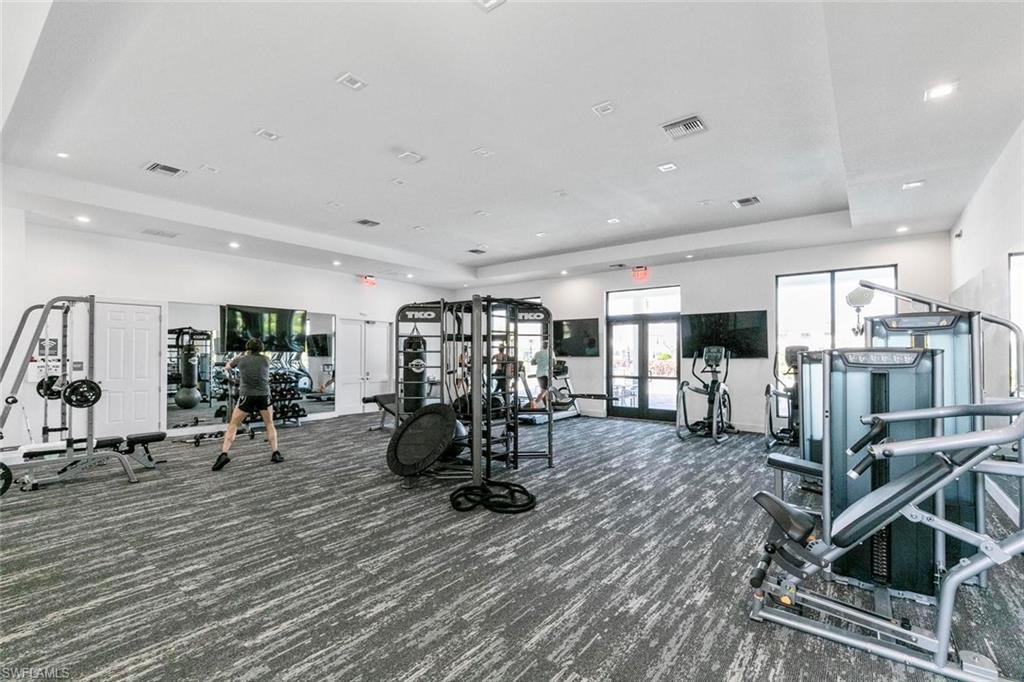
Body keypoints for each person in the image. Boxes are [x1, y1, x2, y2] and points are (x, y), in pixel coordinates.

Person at [212, 338, 283, 470]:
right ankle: (275, 453)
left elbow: (227, 367)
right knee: (269, 424)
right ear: (260, 348)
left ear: (247, 347)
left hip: (247, 396)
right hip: (264, 396)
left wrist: (238, 356)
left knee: (233, 424)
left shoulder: (241, 359)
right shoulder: (266, 360)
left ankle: (223, 454)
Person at [530, 340, 555, 408]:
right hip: (546, 374)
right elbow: (554, 363)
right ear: (549, 346)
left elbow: (532, 363)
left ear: (542, 346)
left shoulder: (537, 353)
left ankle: (546, 407)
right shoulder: (551, 353)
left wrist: (540, 362)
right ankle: (535, 402)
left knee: (542, 390)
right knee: (546, 390)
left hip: (539, 374)